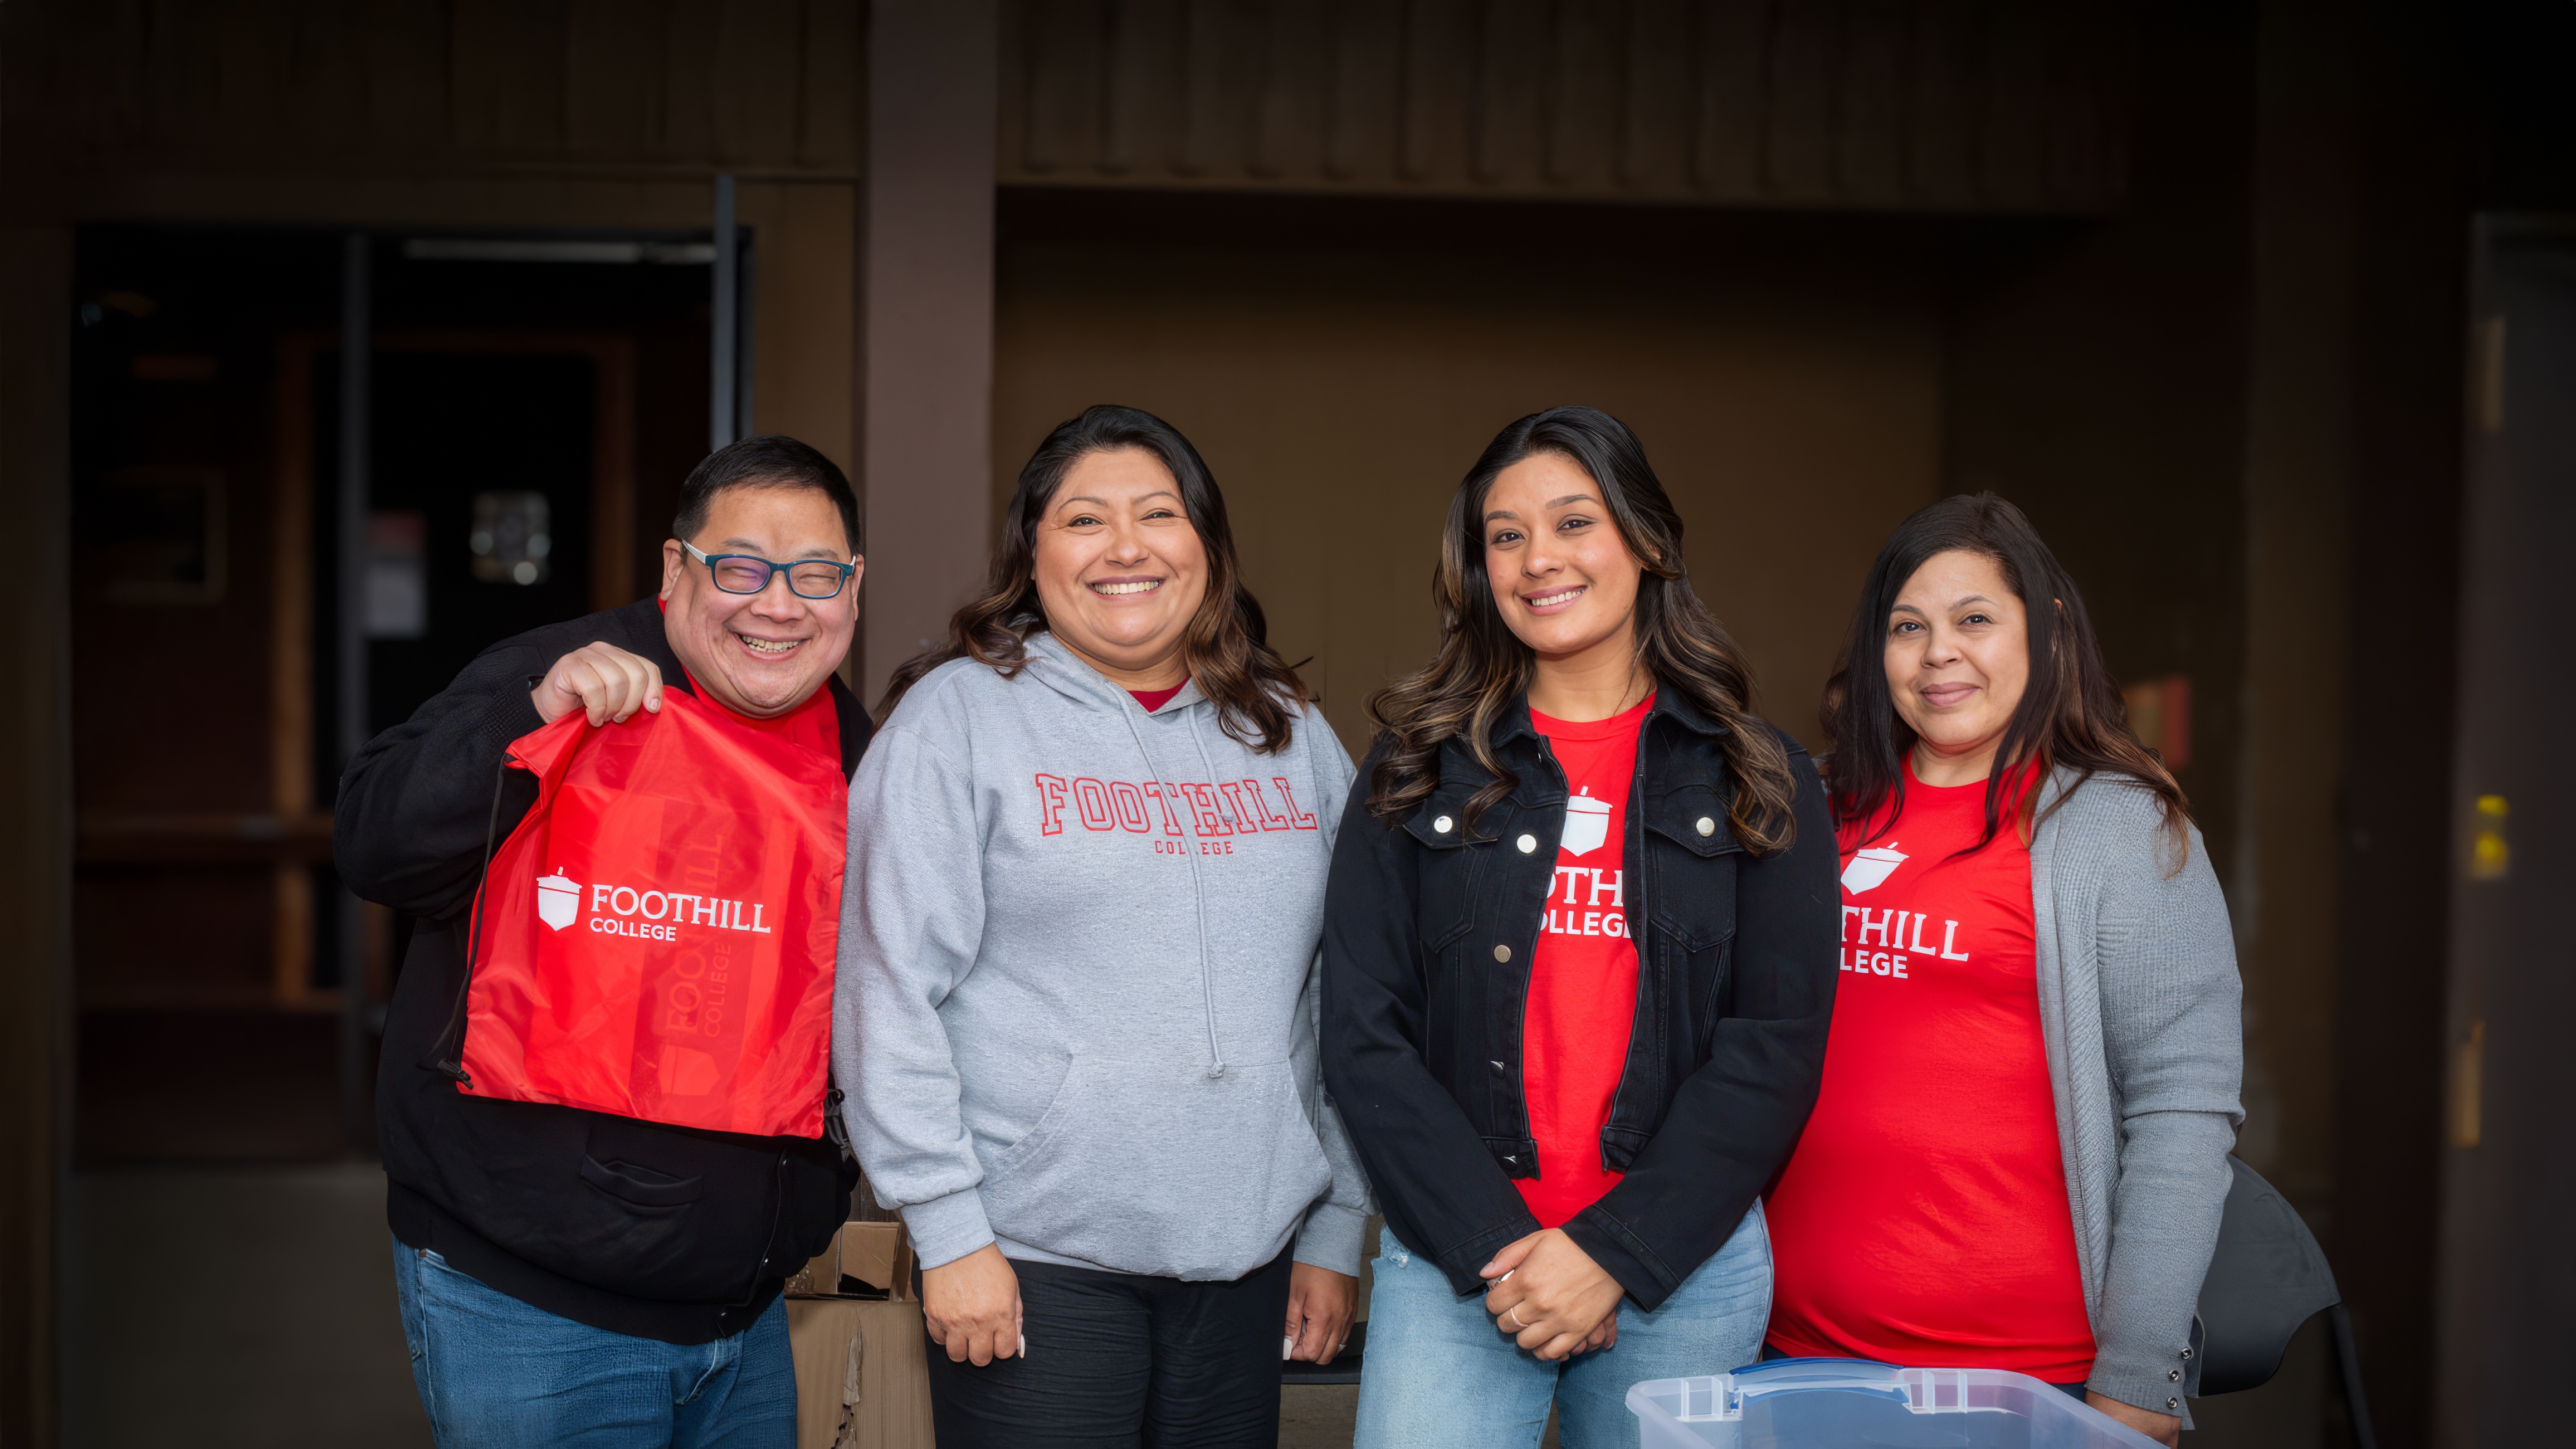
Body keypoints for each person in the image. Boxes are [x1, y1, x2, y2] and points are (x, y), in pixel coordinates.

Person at [837, 404, 1371, 1448]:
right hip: (1033, 1261)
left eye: (1158, 514)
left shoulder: (1287, 726)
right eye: (1084, 519)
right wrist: (945, 1233)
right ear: (1030, 554)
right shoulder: (957, 719)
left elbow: (1342, 994)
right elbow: (885, 990)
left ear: (1206, 548)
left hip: (1250, 1256)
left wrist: (1336, 1223)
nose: (1125, 546)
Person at [1321, 406, 1841, 1449]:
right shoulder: (1415, 765)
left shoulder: (1758, 774)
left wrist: (1614, 1250)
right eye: (1504, 535)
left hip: (1681, 1274)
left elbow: (1773, 1047)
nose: (1536, 559)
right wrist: (1503, 1244)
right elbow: (1364, 1031)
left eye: (1572, 523)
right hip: (1458, 1268)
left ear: (1646, 541)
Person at [336, 435, 870, 1447]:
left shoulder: (846, 740)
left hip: (747, 1318)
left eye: (814, 575)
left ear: (851, 586)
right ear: (676, 571)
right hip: (535, 1311)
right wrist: (528, 714)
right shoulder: (560, 674)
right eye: (742, 568)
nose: (778, 605)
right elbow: (376, 847)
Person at [1762, 493, 2244, 1447]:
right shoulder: (1809, 809)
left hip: (2033, 1379)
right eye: (1908, 626)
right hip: (1793, 1358)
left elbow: (2182, 1110)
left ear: (2048, 630)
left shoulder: (2120, 828)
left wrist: (2141, 1372)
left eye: (1974, 618)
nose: (1939, 652)